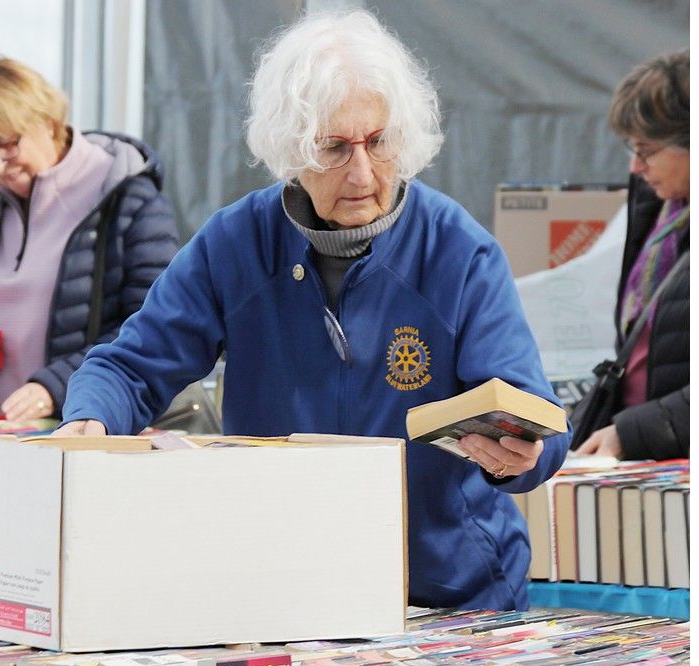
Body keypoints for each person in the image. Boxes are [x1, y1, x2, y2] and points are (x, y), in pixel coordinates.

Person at [54, 11, 570, 611]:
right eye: (334, 148)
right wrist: (90, 419)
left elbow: (534, 411)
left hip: (447, 589)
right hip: (281, 577)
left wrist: (523, 456)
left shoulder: (458, 250)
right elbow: (129, 367)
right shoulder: (237, 243)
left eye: (378, 142)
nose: (362, 172)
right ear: (292, 148)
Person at [0, 56, 179, 420]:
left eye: (8, 144)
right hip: (4, 432)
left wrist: (58, 387)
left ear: (48, 124)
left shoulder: (127, 197)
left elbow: (152, 326)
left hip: (91, 427)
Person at [574, 50, 689, 460]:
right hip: (652, 458)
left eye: (647, 149)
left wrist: (635, 433)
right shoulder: (662, 208)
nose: (636, 166)